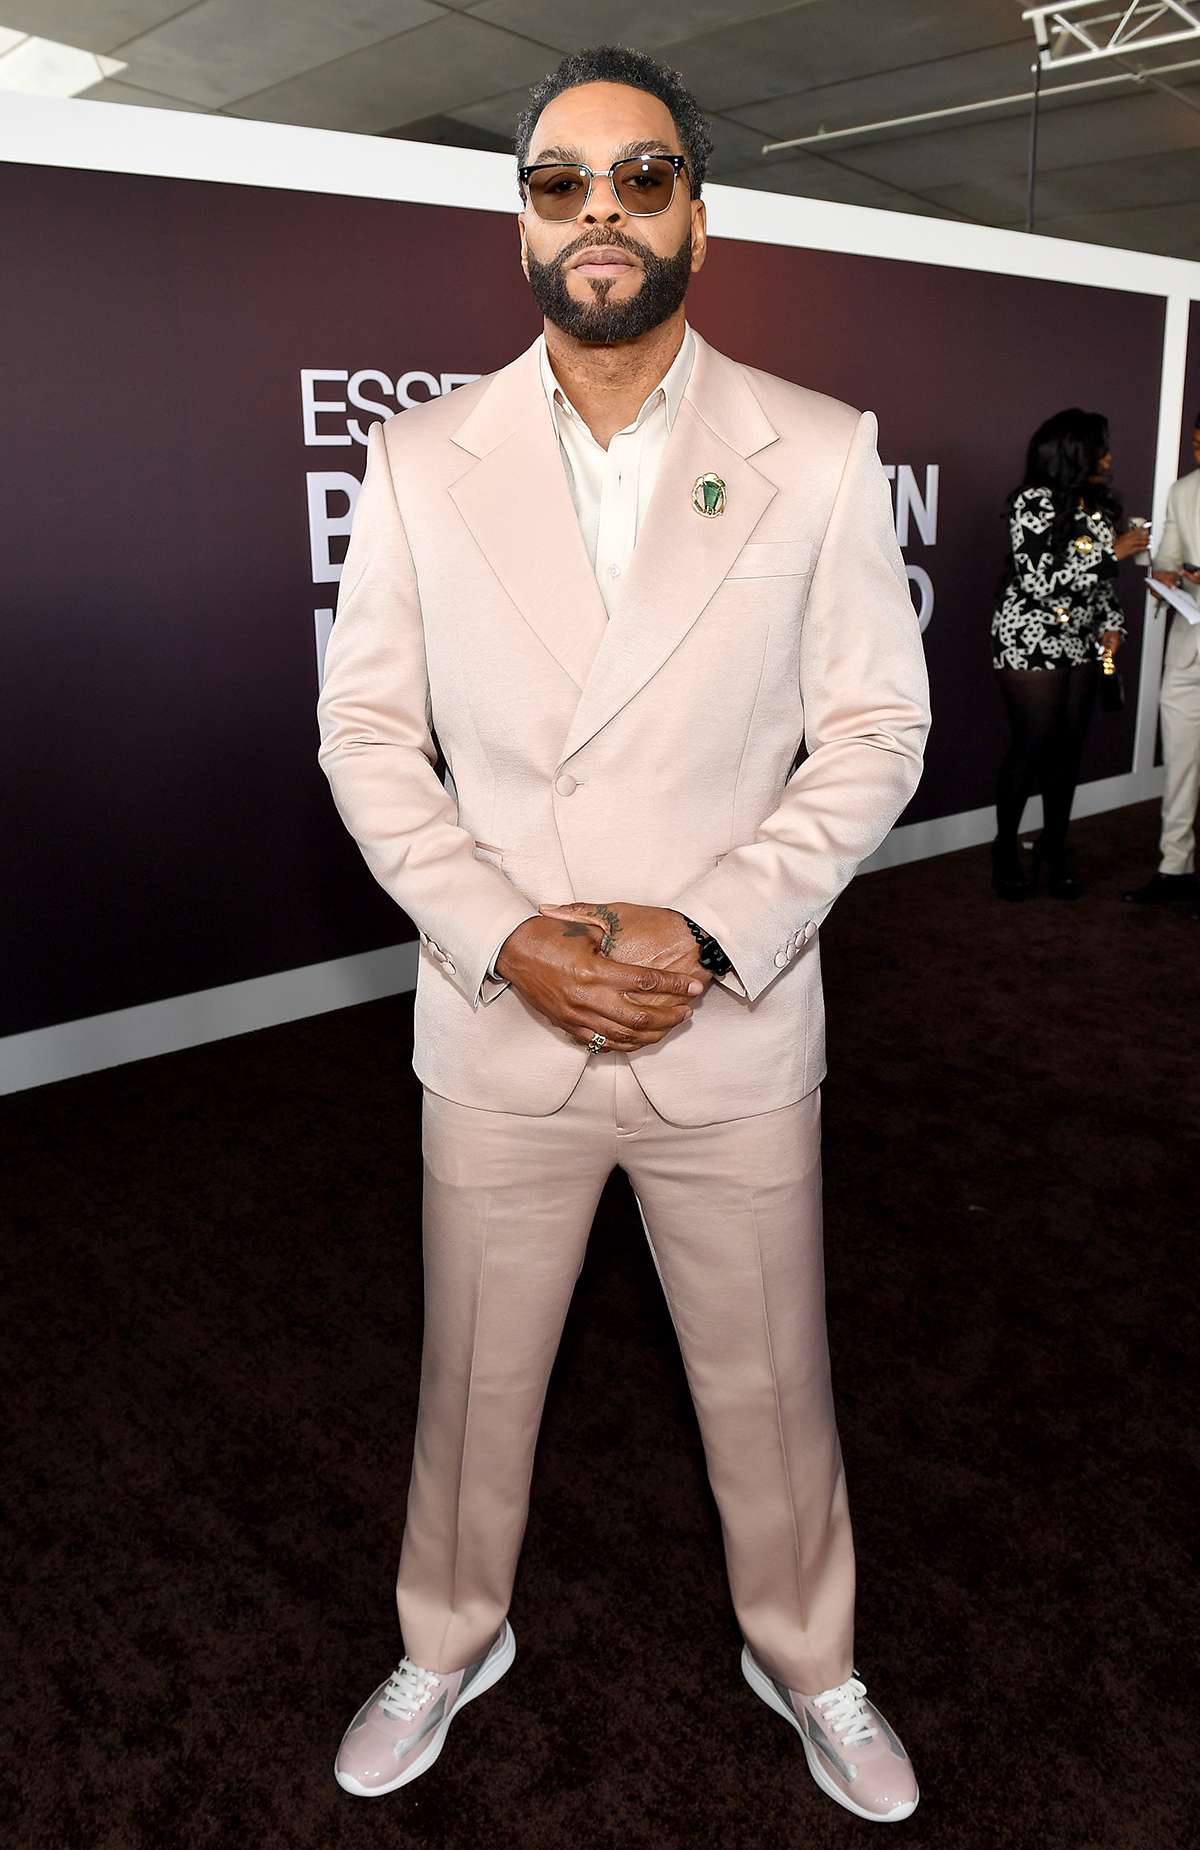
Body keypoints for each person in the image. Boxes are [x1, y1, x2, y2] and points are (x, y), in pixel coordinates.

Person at [316, 44, 930, 1825]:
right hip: (502, 1021)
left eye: (641, 177)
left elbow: (875, 729)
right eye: (560, 180)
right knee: (471, 1376)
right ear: (520, 221)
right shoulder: (424, 460)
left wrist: (716, 926)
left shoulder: (815, 451)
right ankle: (449, 1634)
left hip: (723, 1022)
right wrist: (509, 938)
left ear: (699, 222)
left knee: (773, 1378)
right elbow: (369, 734)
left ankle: (810, 1657)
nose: (601, 210)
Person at [990, 409, 1143, 900]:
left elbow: (1101, 588)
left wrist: (1113, 628)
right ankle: (1005, 848)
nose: (1109, 456)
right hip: (1028, 638)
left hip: (1081, 641)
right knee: (1032, 747)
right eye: (1101, 448)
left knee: (1067, 752)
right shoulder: (1031, 502)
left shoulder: (1097, 507)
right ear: (1073, 453)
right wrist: (1112, 553)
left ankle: (1054, 846)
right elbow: (1036, 582)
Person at [1123, 412, 1200, 908]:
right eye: (1196, 444)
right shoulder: (1183, 491)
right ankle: (1175, 868)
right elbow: (1170, 559)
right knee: (1180, 766)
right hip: (1187, 650)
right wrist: (1166, 574)